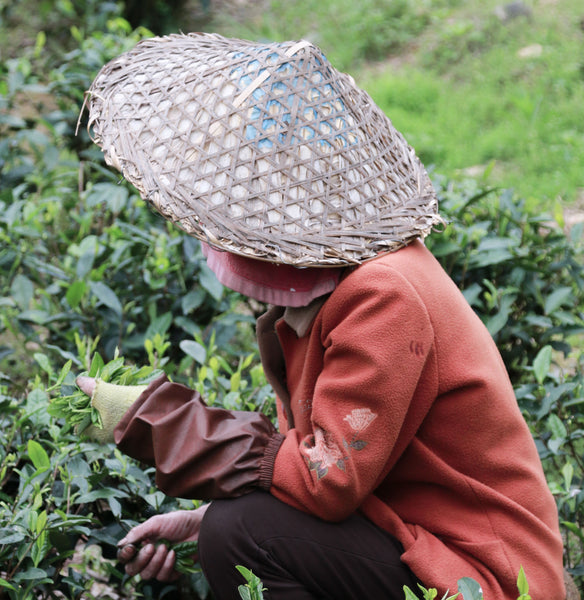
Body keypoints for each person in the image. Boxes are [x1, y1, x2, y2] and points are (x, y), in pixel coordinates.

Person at [76, 32, 566, 599]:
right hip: (421, 542)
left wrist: (153, 419)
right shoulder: (328, 295)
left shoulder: (383, 295)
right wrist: (200, 519)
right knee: (226, 530)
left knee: (242, 536)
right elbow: (316, 465)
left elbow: (326, 478)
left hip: (488, 579)